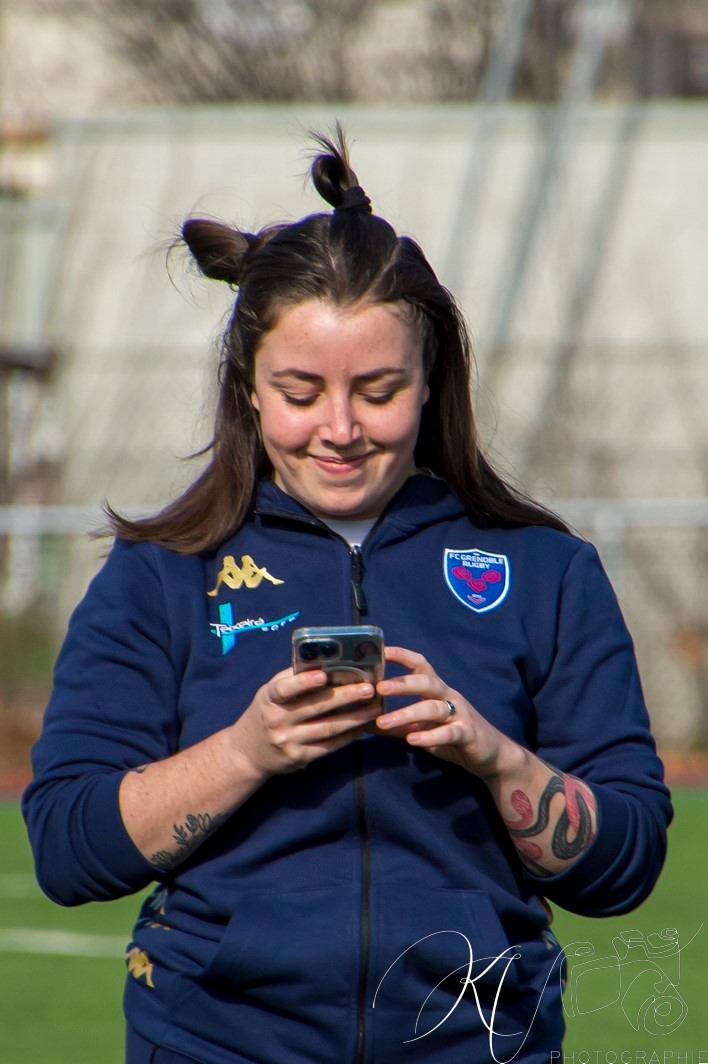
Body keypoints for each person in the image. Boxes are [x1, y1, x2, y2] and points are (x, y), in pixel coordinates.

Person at [23, 127, 671, 1064]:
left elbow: (629, 863)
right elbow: (68, 850)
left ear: (430, 380)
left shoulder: (544, 569)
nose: (339, 429)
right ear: (245, 386)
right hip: (216, 1044)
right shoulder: (159, 575)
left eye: (377, 390)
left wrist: (493, 758)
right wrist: (250, 750)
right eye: (299, 389)